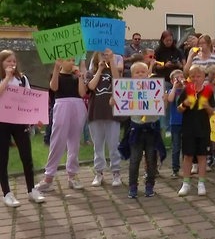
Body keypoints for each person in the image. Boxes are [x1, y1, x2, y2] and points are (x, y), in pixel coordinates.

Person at [35, 58, 88, 192]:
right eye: (68, 60)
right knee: (57, 140)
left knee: (74, 142)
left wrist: (81, 76)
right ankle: (49, 177)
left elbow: (82, 93)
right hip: (62, 105)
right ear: (62, 62)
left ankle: (72, 175)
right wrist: (56, 68)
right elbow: (54, 87)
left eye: (73, 60)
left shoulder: (76, 76)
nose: (71, 62)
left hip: (77, 105)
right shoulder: (57, 75)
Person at [0, 50, 45, 206]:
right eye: (8, 61)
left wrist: (36, 118)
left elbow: (29, 99)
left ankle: (31, 189)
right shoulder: (2, 79)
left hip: (19, 122)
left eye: (14, 61)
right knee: (2, 158)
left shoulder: (22, 79)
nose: (12, 64)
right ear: (1, 63)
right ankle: (7, 193)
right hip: (2, 122)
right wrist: (6, 77)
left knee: (26, 156)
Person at [122, 62, 164, 198]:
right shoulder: (128, 90)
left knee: (151, 159)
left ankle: (149, 185)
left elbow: (163, 104)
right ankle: (132, 186)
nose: (140, 74)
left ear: (148, 74)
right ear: (132, 76)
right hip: (136, 129)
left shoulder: (155, 88)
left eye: (143, 72)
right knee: (135, 159)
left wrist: (164, 99)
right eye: (137, 72)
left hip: (152, 129)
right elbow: (117, 101)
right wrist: (115, 100)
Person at [86, 50, 123, 188]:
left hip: (112, 113)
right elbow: (91, 86)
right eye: (102, 54)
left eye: (106, 54)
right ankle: (99, 172)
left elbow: (117, 81)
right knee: (98, 145)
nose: (104, 56)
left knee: (114, 144)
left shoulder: (112, 70)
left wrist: (112, 60)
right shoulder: (91, 73)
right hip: (95, 112)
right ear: (96, 56)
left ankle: (116, 172)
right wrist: (100, 69)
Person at [177, 65, 215, 196]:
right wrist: (184, 104)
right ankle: (186, 183)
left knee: (202, 156)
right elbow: (179, 109)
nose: (195, 79)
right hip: (188, 128)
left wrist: (207, 107)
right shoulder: (186, 90)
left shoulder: (208, 91)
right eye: (192, 76)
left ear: (203, 77)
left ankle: (201, 183)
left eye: (198, 76)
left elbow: (212, 112)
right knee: (187, 156)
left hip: (203, 128)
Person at [167, 70, 185, 178]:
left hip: (186, 122)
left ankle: (186, 167)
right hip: (175, 122)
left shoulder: (186, 90)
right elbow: (170, 99)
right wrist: (174, 86)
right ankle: (175, 168)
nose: (179, 80)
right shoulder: (171, 90)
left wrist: (184, 85)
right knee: (176, 146)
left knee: (186, 146)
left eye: (181, 77)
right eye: (176, 78)